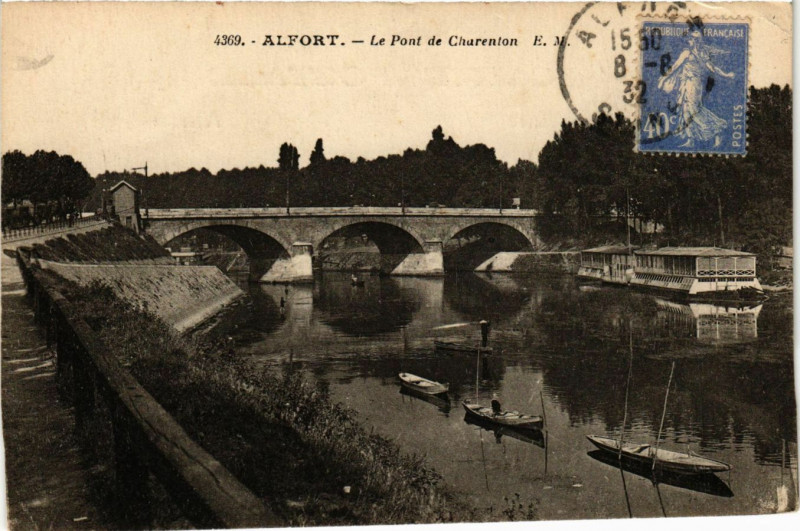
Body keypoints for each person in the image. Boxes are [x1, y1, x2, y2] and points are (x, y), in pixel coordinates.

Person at [658, 28, 735, 148]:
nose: (689, 41)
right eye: (689, 38)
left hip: (694, 84)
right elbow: (675, 67)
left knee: (693, 109)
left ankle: (717, 129)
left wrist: (726, 74)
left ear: (696, 41)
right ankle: (691, 140)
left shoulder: (700, 54)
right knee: (685, 109)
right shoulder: (686, 53)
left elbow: (712, 68)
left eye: (692, 39)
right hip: (686, 83)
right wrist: (664, 78)